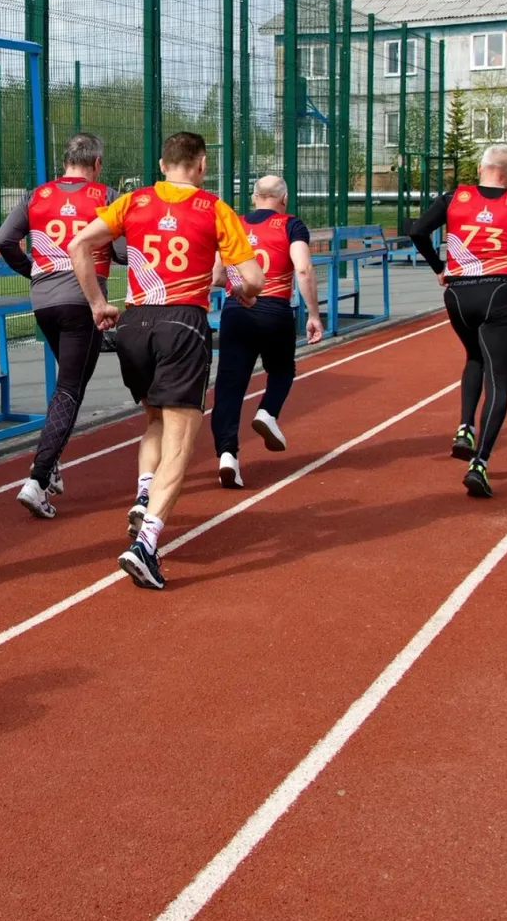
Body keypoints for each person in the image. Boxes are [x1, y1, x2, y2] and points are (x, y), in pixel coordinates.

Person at [65, 131, 264, 590]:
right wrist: (240, 290)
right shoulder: (215, 209)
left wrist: (98, 304)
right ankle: (147, 544)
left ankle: (143, 495)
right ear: (201, 165)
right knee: (181, 437)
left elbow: (78, 244)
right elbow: (252, 277)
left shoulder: (133, 201)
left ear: (161, 164)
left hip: (134, 325)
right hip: (183, 324)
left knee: (154, 420)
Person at [405, 142, 507, 497]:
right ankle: (480, 462)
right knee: (499, 380)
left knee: (474, 356)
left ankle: (464, 428)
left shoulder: (453, 198)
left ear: (480, 168)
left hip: (458, 294)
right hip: (499, 293)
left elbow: (416, 230)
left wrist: (439, 267)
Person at [0, 132, 124, 519]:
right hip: (84, 302)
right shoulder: (105, 195)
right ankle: (37, 477)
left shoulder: (36, 195)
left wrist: (32, 269)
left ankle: (52, 460)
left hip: (43, 301)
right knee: (70, 389)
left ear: (64, 160)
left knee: (67, 383)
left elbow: (2, 239)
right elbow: (118, 253)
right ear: (96, 163)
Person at [209, 174, 324, 490]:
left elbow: (217, 274)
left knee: (230, 386)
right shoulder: (291, 225)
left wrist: (236, 285)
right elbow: (302, 268)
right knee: (283, 370)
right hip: (275, 310)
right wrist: (313, 313)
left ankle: (227, 455)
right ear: (284, 199)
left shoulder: (235, 224)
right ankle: (268, 412)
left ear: (254, 196)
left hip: (237, 312)